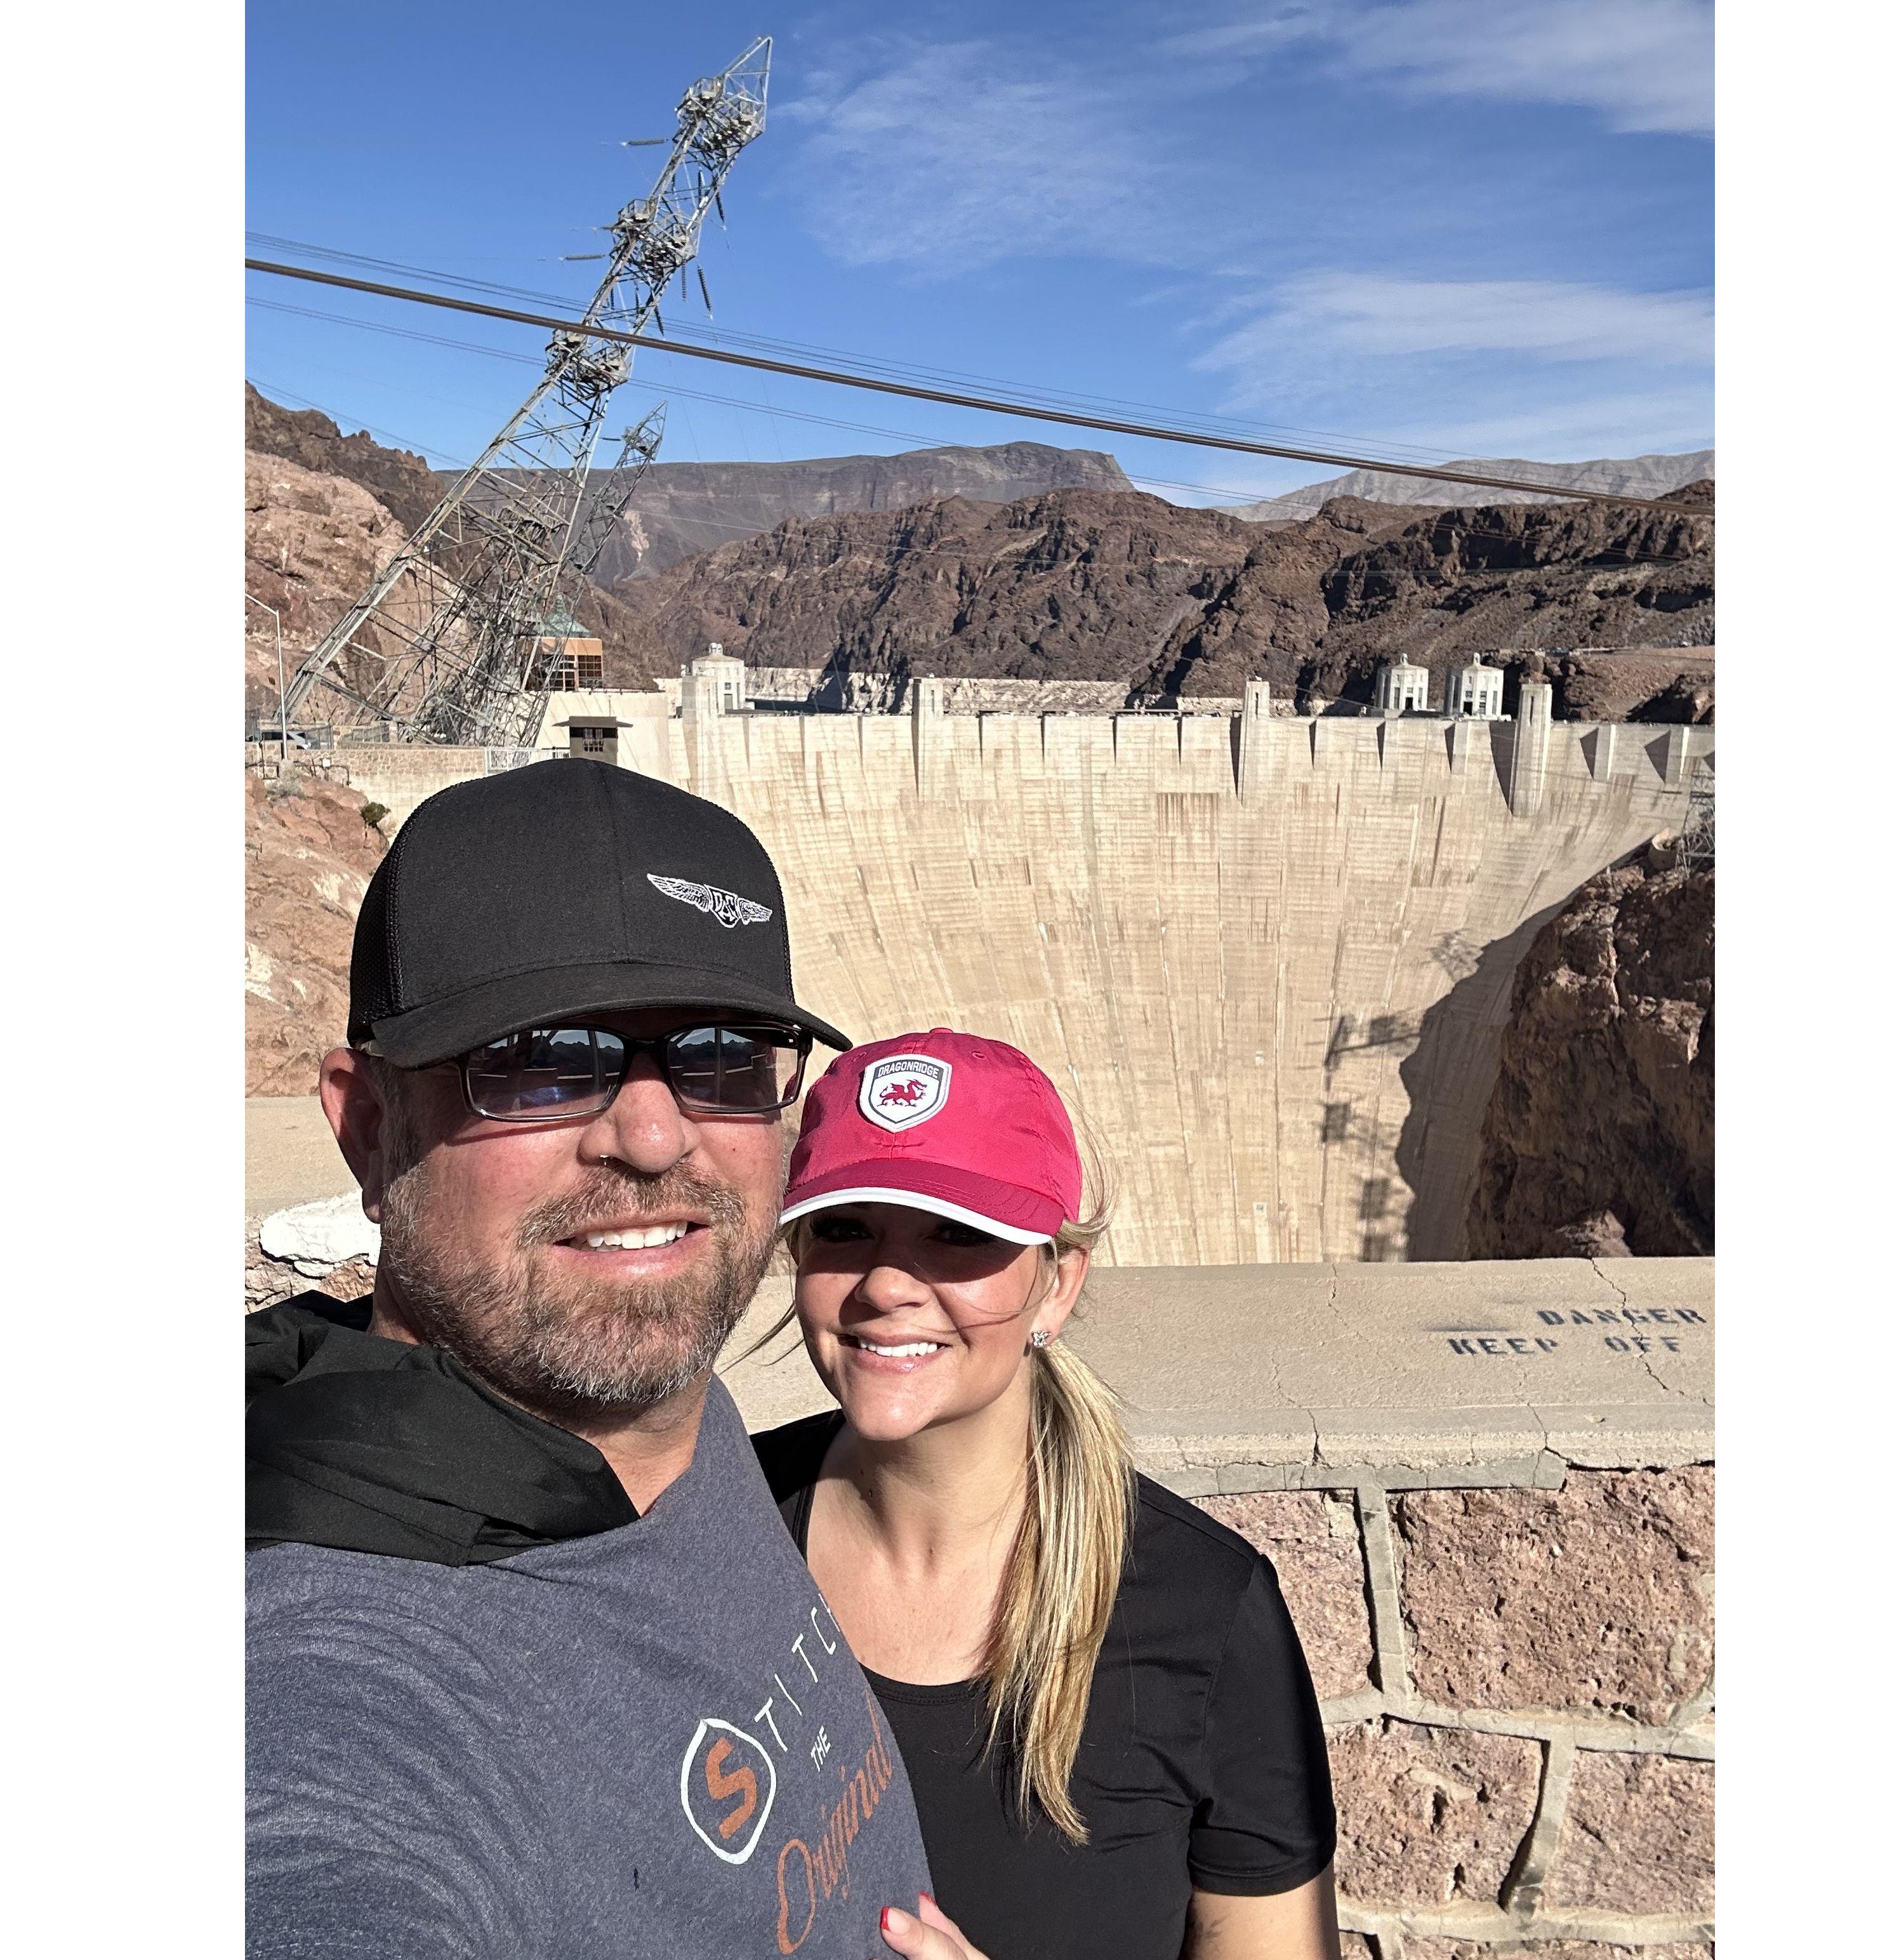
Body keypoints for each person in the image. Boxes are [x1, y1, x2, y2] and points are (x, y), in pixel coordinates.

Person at [246, 761, 974, 1960]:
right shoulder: (332, 1695)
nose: (651, 1136)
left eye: (723, 1055)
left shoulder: (664, 1416)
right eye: (540, 1056)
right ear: (369, 1129)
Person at [753, 1030, 1344, 1960]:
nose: (888, 1284)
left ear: (1057, 1286)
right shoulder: (712, 1531)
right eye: (843, 1228)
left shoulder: (1202, 1610)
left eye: (958, 1235)